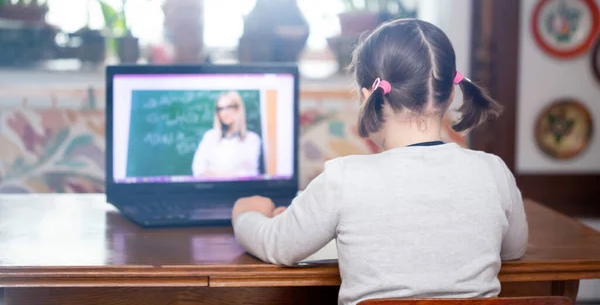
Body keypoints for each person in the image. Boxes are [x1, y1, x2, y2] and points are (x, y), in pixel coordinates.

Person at [232, 19, 528, 304]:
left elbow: (277, 245)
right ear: (451, 93)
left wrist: (244, 214)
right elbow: (514, 250)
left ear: (367, 97)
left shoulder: (343, 179)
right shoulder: (493, 171)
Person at [192, 91, 262, 178]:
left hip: (241, 190)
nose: (224, 113)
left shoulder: (252, 139)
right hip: (212, 190)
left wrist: (213, 173)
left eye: (228, 107)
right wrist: (233, 173)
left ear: (238, 109)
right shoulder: (209, 137)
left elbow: (249, 174)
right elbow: (198, 170)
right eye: (220, 109)